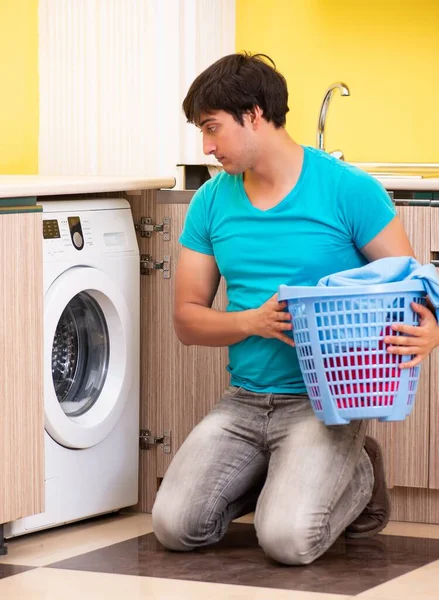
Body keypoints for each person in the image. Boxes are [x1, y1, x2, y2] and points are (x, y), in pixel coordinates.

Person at [152, 52, 439, 565]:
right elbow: (187, 320)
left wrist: (432, 330)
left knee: (287, 542)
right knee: (177, 527)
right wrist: (252, 322)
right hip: (242, 400)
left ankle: (357, 471)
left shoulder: (350, 191)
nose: (207, 146)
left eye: (213, 128)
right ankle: (283, 474)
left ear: (255, 114)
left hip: (324, 403)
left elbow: (412, 286)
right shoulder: (211, 202)